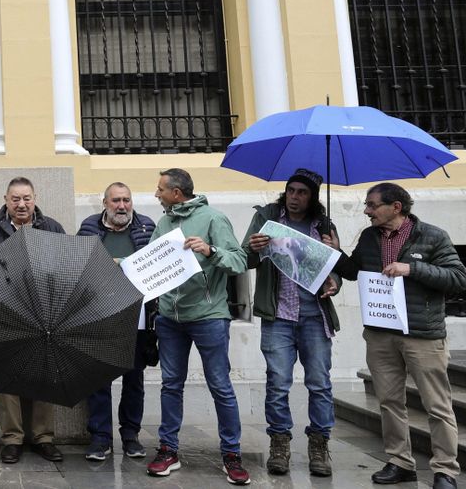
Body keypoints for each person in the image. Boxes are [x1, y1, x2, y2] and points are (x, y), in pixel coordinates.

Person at [334, 183, 466, 489]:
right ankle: (399, 462)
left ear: (396, 207)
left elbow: (458, 278)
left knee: (437, 405)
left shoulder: (432, 236)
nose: (367, 211)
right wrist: (335, 250)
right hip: (381, 333)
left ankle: (445, 469)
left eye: (372, 205)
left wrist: (412, 268)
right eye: (367, 205)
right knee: (389, 401)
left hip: (422, 335)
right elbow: (355, 271)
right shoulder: (369, 237)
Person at [146, 168, 250, 485]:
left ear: (177, 193)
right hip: (170, 319)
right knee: (170, 385)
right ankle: (168, 450)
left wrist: (211, 250)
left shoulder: (214, 219)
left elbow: (240, 261)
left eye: (160, 189)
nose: (156, 194)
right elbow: (152, 261)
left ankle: (231, 455)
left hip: (209, 316)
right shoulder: (163, 223)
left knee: (220, 385)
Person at [241, 169, 342, 477]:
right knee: (278, 382)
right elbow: (243, 260)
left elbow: (335, 268)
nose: (295, 197)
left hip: (314, 315)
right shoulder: (268, 219)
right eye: (291, 190)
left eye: (302, 192)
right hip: (279, 315)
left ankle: (319, 445)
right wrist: (254, 249)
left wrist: (334, 278)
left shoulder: (323, 225)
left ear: (312, 197)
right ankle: (280, 443)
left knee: (320, 383)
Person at [0, 177, 66, 464]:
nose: (21, 204)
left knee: (45, 376)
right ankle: (12, 439)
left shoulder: (51, 227)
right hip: (7, 314)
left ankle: (43, 438)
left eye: (26, 198)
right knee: (8, 379)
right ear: (6, 200)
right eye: (15, 199)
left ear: (34, 198)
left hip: (43, 314)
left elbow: (66, 266)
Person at [77, 182, 156, 461]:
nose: (122, 206)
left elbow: (157, 265)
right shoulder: (89, 227)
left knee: (134, 379)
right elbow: (77, 264)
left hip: (137, 315)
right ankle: (100, 438)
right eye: (116, 201)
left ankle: (131, 435)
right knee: (99, 380)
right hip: (99, 316)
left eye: (126, 200)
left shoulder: (147, 226)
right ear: (105, 203)